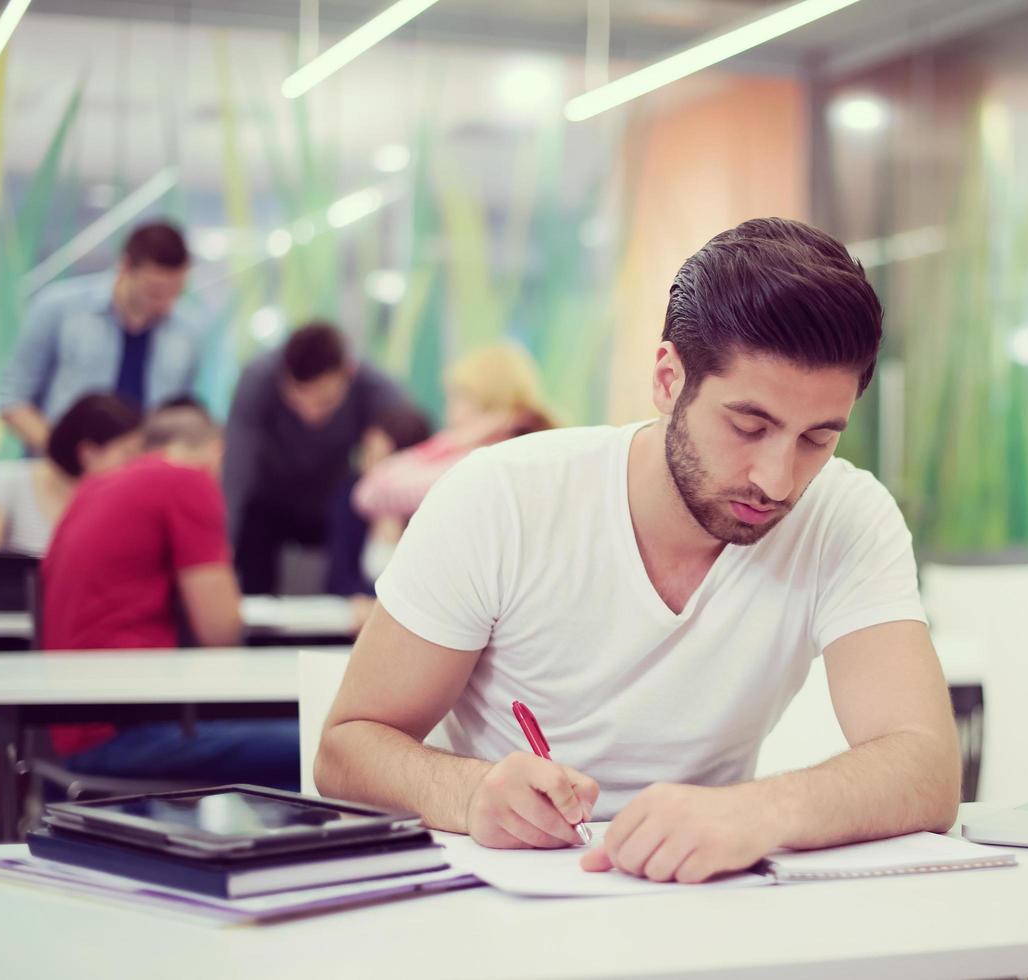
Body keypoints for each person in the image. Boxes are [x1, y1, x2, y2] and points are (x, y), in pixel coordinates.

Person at [315, 218, 960, 884]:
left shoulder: (845, 515)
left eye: (817, 439)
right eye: (749, 425)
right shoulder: (502, 496)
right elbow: (345, 750)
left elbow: (925, 766)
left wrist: (758, 812)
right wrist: (472, 793)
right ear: (667, 379)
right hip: (506, 901)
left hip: (708, 894)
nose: (778, 479)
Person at [41, 398, 299, 790]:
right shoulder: (188, 480)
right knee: (319, 744)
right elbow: (220, 633)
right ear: (217, 450)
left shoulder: (95, 487)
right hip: (125, 731)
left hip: (68, 731)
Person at [221, 321, 405, 594]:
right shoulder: (258, 378)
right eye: (298, 402)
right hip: (269, 499)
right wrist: (222, 553)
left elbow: (408, 458)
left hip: (333, 501)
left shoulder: (376, 389)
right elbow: (236, 472)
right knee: (249, 522)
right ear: (281, 376)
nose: (311, 414)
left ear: (349, 373)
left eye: (324, 402)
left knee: (355, 508)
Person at [352, 340, 556, 582]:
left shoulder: (480, 465)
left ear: (491, 404)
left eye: (460, 398)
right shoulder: (522, 454)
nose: (450, 412)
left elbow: (371, 492)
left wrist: (449, 441)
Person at [0, 221, 207, 453]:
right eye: (155, 291)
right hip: (61, 477)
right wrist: (64, 457)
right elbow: (13, 399)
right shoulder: (58, 308)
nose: (166, 303)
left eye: (176, 292)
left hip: (140, 477)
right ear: (125, 266)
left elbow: (182, 415)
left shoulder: (189, 328)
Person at [0, 393, 143, 555]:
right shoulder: (5, 481)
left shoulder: (120, 503)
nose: (135, 465)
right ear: (88, 452)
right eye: (127, 453)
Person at [325, 401, 434, 600]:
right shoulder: (352, 498)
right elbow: (337, 578)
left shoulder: (431, 509)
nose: (369, 469)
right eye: (366, 454)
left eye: (379, 459)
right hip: (356, 619)